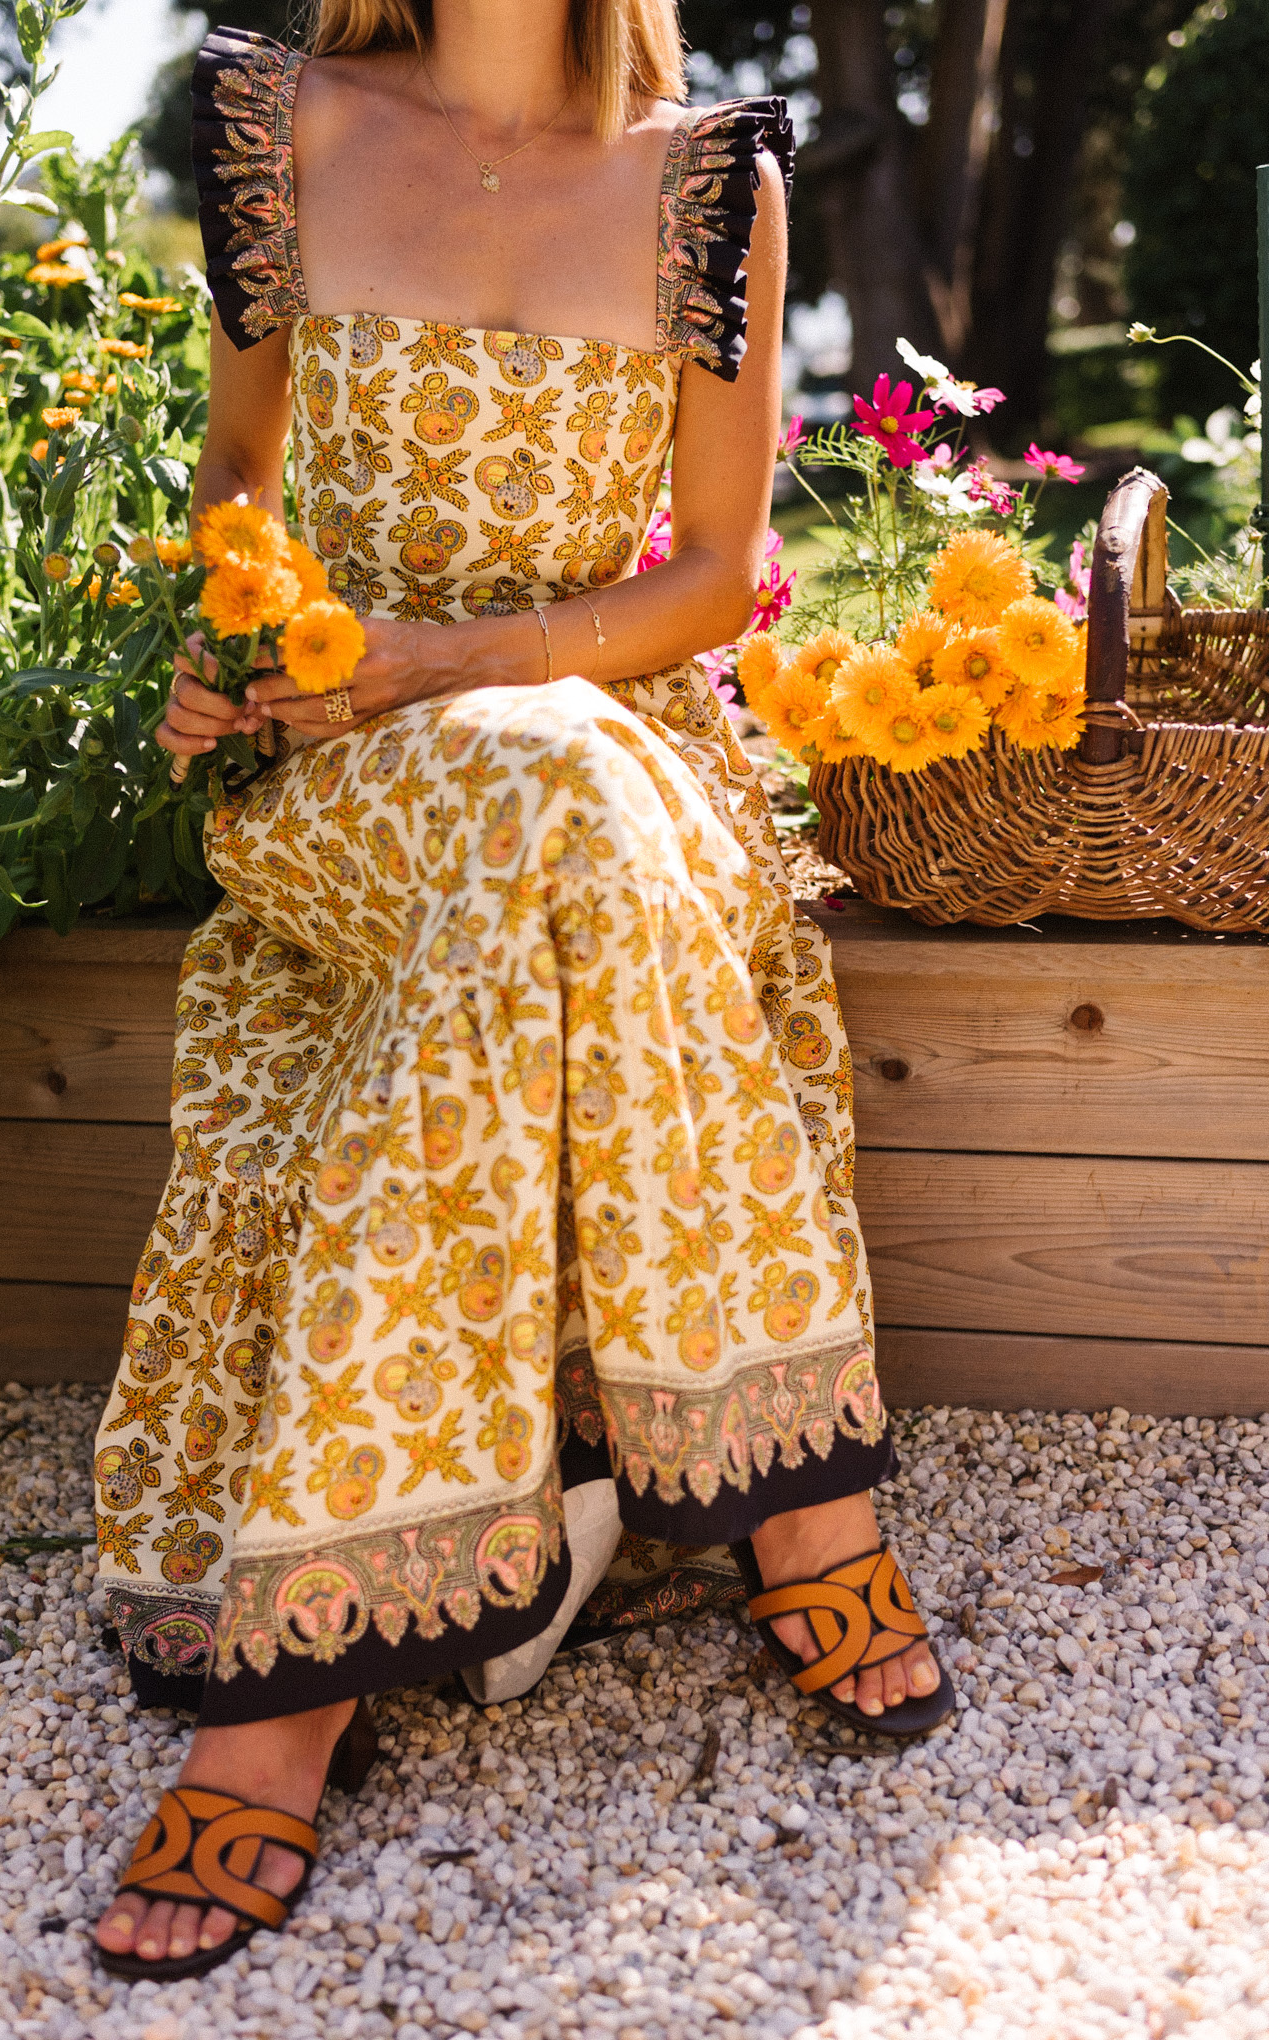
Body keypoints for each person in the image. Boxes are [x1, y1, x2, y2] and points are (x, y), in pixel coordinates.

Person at [93, 0, 951, 1981]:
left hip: (603, 742)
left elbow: (716, 574)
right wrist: (237, 643)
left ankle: (295, 1673)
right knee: (547, 819)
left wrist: (442, 660)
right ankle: (795, 1502)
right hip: (331, 774)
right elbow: (242, 467)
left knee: (557, 808)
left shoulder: (707, 174)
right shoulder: (270, 119)